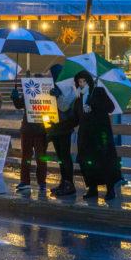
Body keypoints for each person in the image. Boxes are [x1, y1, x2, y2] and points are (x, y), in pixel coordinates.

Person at [73, 70, 122, 201]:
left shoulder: (98, 92)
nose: (81, 84)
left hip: (100, 135)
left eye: (83, 81)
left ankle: (110, 189)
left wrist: (93, 104)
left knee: (104, 162)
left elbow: (110, 107)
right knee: (87, 163)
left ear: (89, 81)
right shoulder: (79, 98)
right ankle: (92, 188)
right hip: (85, 136)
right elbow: (75, 117)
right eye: (79, 82)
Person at [12, 73, 48, 192]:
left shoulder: (46, 95)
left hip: (41, 131)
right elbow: (19, 105)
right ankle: (25, 181)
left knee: (40, 158)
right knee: (26, 157)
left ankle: (42, 182)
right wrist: (15, 97)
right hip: (27, 129)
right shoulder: (28, 93)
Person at [47, 64, 77, 196]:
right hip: (54, 126)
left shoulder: (68, 87)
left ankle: (69, 183)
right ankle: (63, 182)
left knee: (65, 156)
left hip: (65, 126)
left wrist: (58, 95)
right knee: (60, 157)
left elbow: (65, 107)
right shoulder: (51, 87)